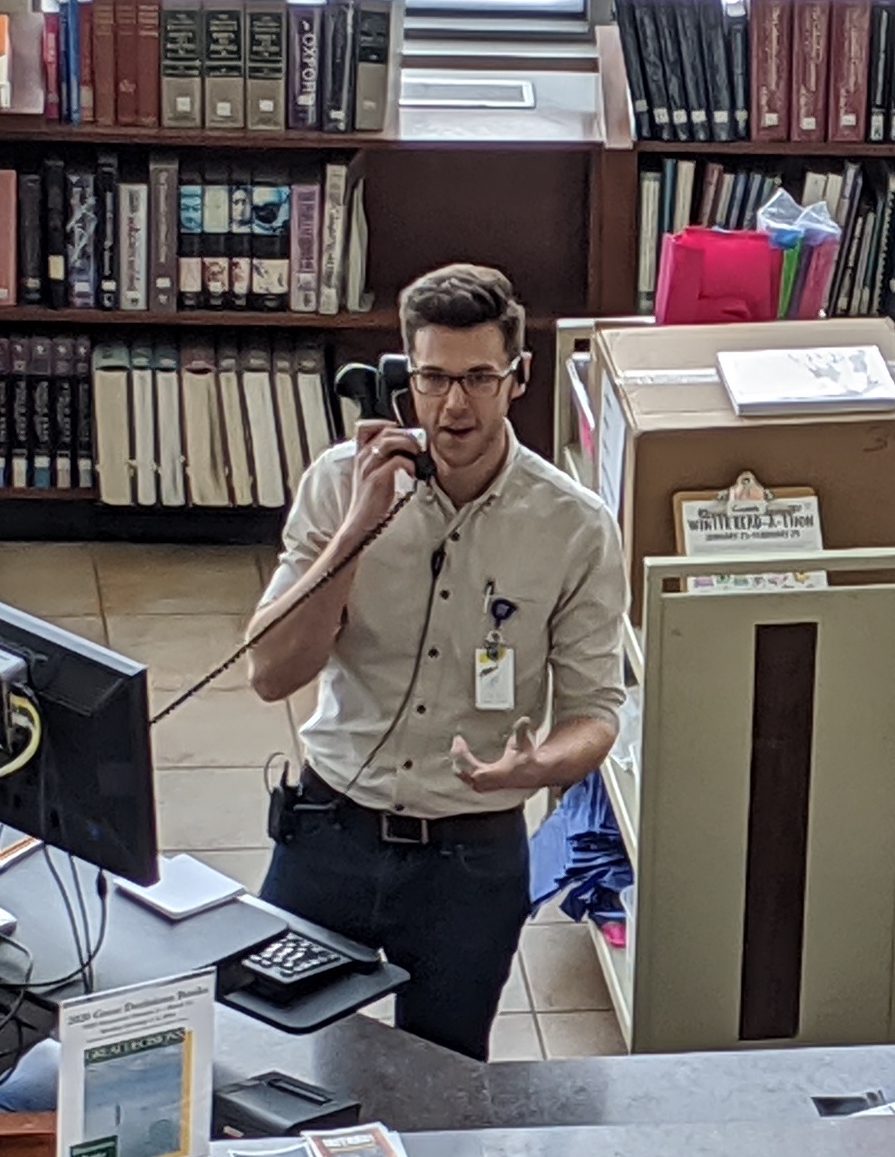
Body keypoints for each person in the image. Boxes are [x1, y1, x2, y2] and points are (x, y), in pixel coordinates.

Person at [236, 261, 628, 1056]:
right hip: (330, 829)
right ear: (399, 382)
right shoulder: (340, 484)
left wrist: (538, 767)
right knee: (272, 1063)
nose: (454, 405)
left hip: (470, 855)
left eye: (479, 378)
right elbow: (270, 673)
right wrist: (354, 533)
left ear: (517, 378)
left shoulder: (574, 525)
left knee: (447, 1088)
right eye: (432, 378)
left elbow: (597, 713)